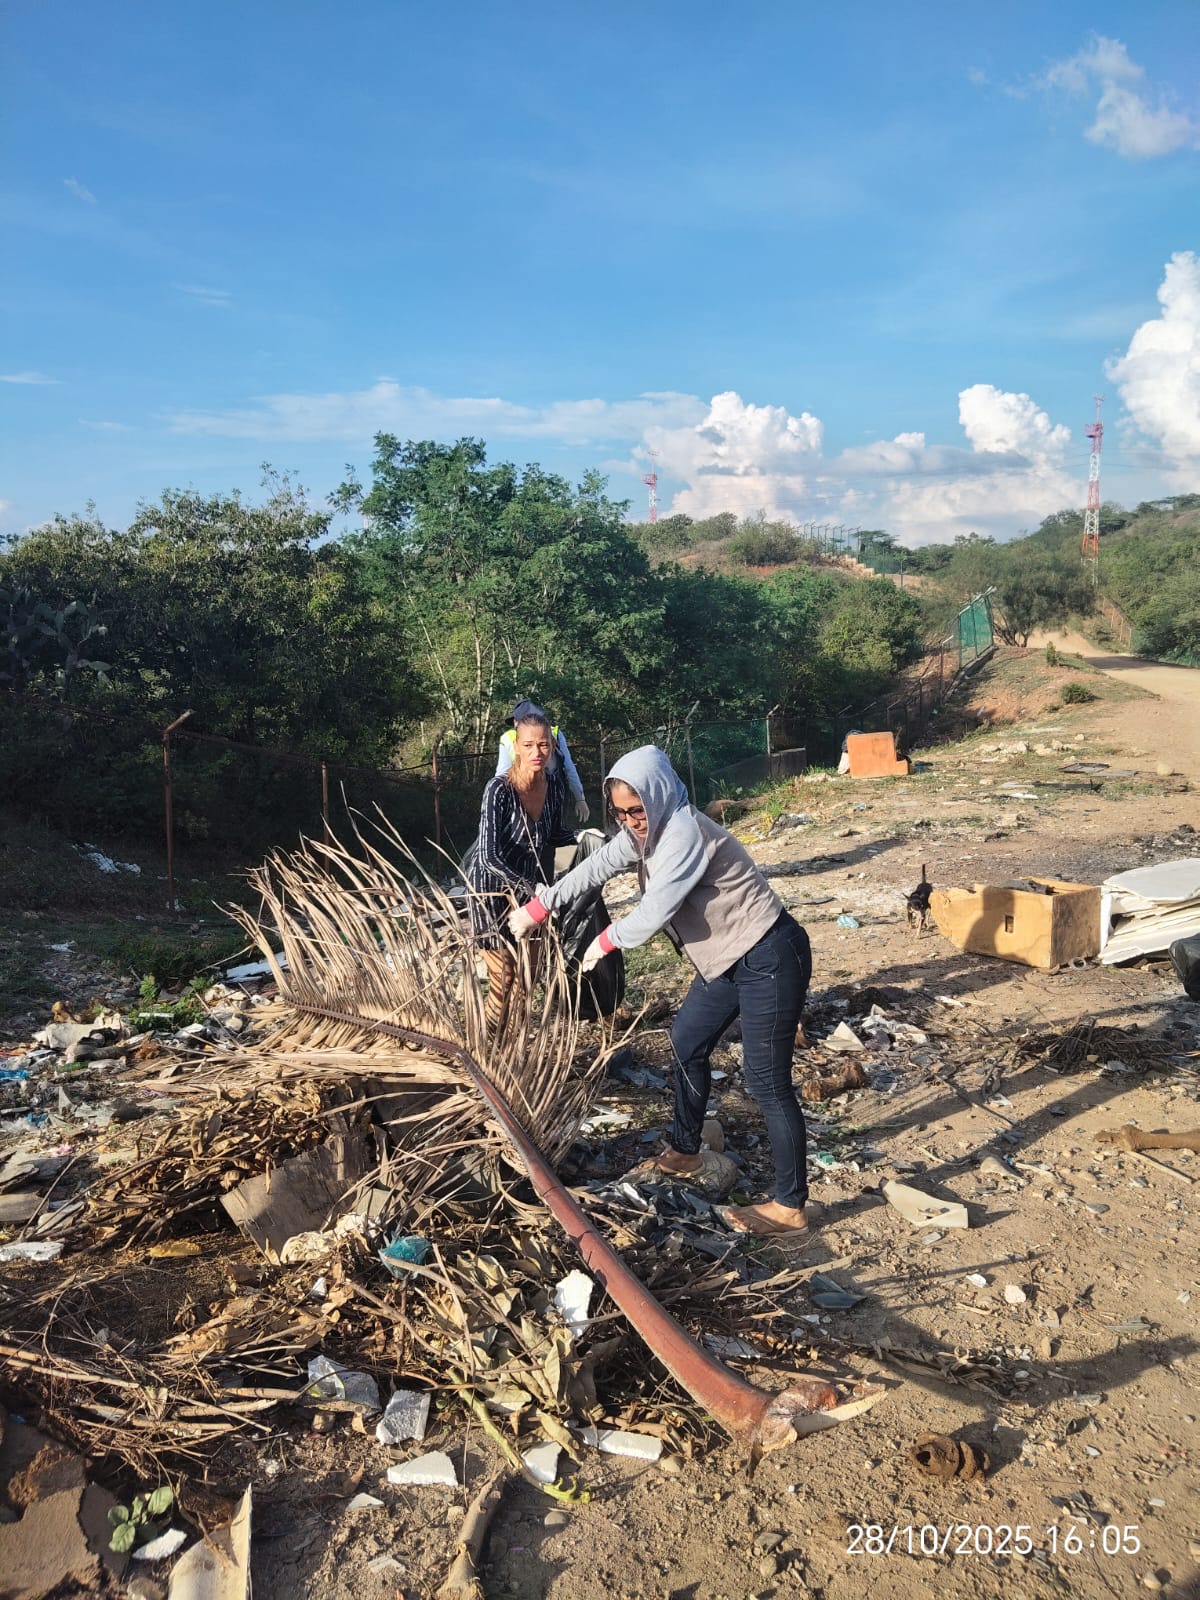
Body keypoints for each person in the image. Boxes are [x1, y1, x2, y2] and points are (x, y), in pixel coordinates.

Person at [508, 745, 818, 1240]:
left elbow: (655, 911)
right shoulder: (643, 834)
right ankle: (685, 1149)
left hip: (769, 955)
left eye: (637, 809)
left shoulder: (683, 832)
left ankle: (790, 1205)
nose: (631, 821)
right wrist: (542, 906)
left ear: (657, 796)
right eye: (620, 812)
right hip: (725, 961)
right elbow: (595, 866)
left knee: (766, 1080)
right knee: (686, 1042)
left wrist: (604, 942)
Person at [469, 707, 576, 1034]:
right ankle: (486, 1042)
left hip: (531, 893)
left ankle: (514, 1047)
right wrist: (532, 887)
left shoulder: (554, 787)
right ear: (516, 747)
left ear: (552, 747)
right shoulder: (498, 790)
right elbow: (488, 856)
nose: (536, 752)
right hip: (490, 892)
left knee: (528, 976)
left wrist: (585, 850)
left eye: (543, 745)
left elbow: (557, 836)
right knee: (503, 977)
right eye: (528, 745)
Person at [497, 699, 590, 823]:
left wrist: (499, 805)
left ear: (516, 722)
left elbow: (501, 775)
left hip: (528, 796)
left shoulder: (508, 738)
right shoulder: (554, 733)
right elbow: (569, 767)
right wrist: (580, 798)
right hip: (549, 794)